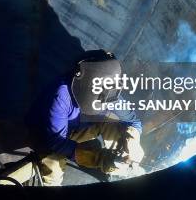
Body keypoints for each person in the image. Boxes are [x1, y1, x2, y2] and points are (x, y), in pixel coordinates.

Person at [25, 50, 144, 186]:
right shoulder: (60, 96)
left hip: (74, 128)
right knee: (54, 166)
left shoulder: (108, 92)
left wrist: (134, 141)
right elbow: (55, 142)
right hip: (45, 135)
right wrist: (98, 158)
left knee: (114, 124)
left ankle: (119, 163)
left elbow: (133, 121)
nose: (105, 103)